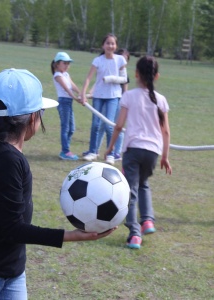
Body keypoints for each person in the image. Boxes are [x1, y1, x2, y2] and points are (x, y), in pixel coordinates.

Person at [0, 68, 115, 299]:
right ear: (33, 117)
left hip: (11, 272)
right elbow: (12, 228)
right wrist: (74, 236)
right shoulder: (8, 160)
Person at [104, 56, 172, 249]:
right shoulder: (161, 100)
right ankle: (148, 221)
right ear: (156, 76)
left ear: (136, 74)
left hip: (133, 150)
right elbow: (165, 130)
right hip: (152, 152)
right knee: (143, 185)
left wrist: (110, 148)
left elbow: (118, 126)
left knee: (130, 191)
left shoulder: (129, 96)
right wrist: (165, 156)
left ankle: (134, 234)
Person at [80, 34, 127, 165]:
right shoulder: (97, 60)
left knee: (109, 125)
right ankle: (92, 152)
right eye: (108, 43)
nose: (110, 46)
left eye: (112, 43)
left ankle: (110, 154)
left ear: (116, 46)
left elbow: (124, 79)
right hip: (98, 96)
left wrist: (113, 80)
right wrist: (83, 93)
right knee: (95, 125)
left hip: (113, 96)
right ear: (103, 45)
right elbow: (89, 77)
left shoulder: (120, 60)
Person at [51, 52, 80, 160]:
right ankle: (65, 151)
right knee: (66, 128)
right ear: (57, 64)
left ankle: (65, 150)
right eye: (65, 63)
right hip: (63, 103)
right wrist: (75, 98)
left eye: (68, 63)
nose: (67, 65)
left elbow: (72, 86)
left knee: (71, 128)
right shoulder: (58, 75)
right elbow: (66, 89)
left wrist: (80, 93)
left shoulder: (66, 75)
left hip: (69, 102)